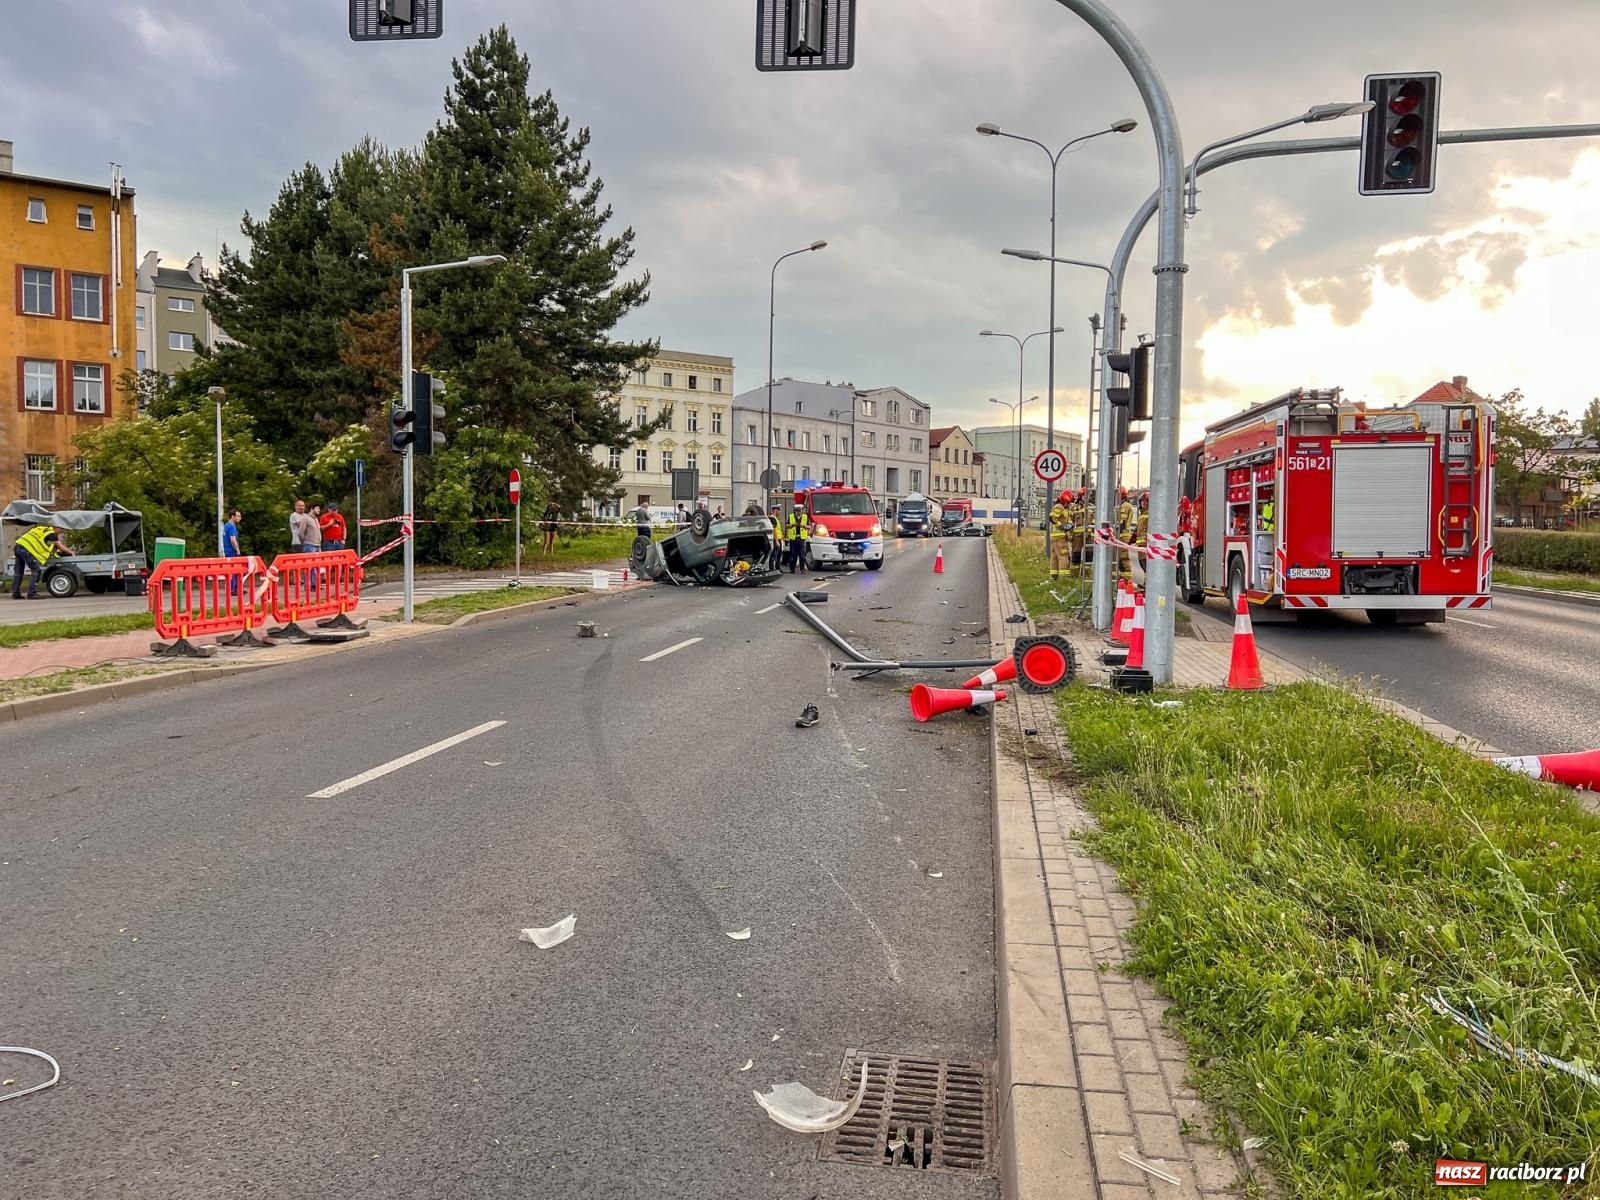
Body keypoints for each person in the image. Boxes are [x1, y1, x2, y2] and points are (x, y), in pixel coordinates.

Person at [12, 524, 69, 600]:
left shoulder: (42, 528)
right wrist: (71, 552)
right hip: (26, 549)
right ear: (57, 528)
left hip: (18, 546)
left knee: (18, 572)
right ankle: (32, 593)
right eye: (62, 529)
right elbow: (60, 546)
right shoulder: (52, 534)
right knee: (36, 570)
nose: (62, 532)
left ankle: (16, 593)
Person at [1048, 490, 1074, 579]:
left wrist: (1070, 524)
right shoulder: (1059, 507)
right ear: (1064, 500)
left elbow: (1066, 519)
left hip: (1055, 537)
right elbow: (1052, 518)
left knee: (1054, 557)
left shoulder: (1063, 508)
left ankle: (1054, 577)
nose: (1068, 504)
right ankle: (1064, 578)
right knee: (1064, 557)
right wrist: (1063, 527)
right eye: (1067, 502)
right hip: (1060, 537)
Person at [768, 505, 787, 570]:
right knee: (774, 554)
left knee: (779, 554)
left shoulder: (775, 518)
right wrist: (776, 541)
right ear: (775, 510)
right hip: (775, 539)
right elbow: (774, 530)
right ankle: (772, 568)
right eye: (779, 510)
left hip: (779, 538)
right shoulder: (772, 518)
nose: (780, 512)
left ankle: (777, 567)